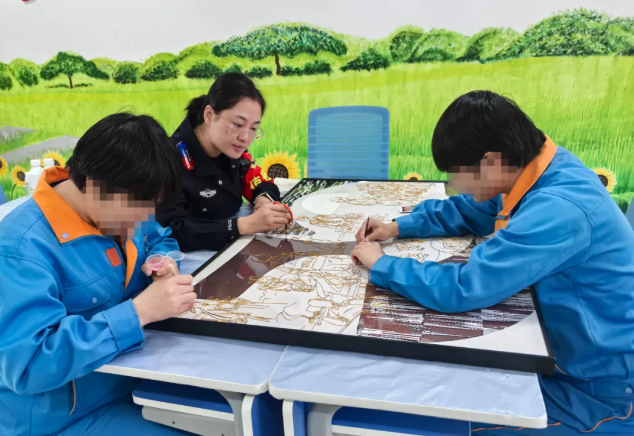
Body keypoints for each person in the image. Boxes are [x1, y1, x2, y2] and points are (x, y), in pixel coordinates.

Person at [351, 91, 634, 435]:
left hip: (598, 389)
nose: (455, 185)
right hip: (557, 352)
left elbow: (464, 287)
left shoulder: (558, 208)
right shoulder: (535, 167)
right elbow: (470, 209)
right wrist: (396, 227)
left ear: (490, 161)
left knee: (438, 420)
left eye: (457, 174)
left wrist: (382, 264)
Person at [0, 113, 196, 436]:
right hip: (65, 419)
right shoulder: (21, 248)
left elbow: (159, 236)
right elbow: (29, 365)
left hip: (134, 381)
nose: (146, 216)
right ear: (94, 185)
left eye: (153, 205)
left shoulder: (121, 206)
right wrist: (139, 312)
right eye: (141, 206)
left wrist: (161, 259)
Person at [156, 73, 290, 252]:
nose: (245, 138)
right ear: (209, 115)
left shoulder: (231, 149)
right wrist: (243, 225)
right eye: (237, 124)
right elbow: (172, 231)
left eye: (253, 128)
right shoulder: (168, 161)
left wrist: (263, 200)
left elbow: (258, 179)